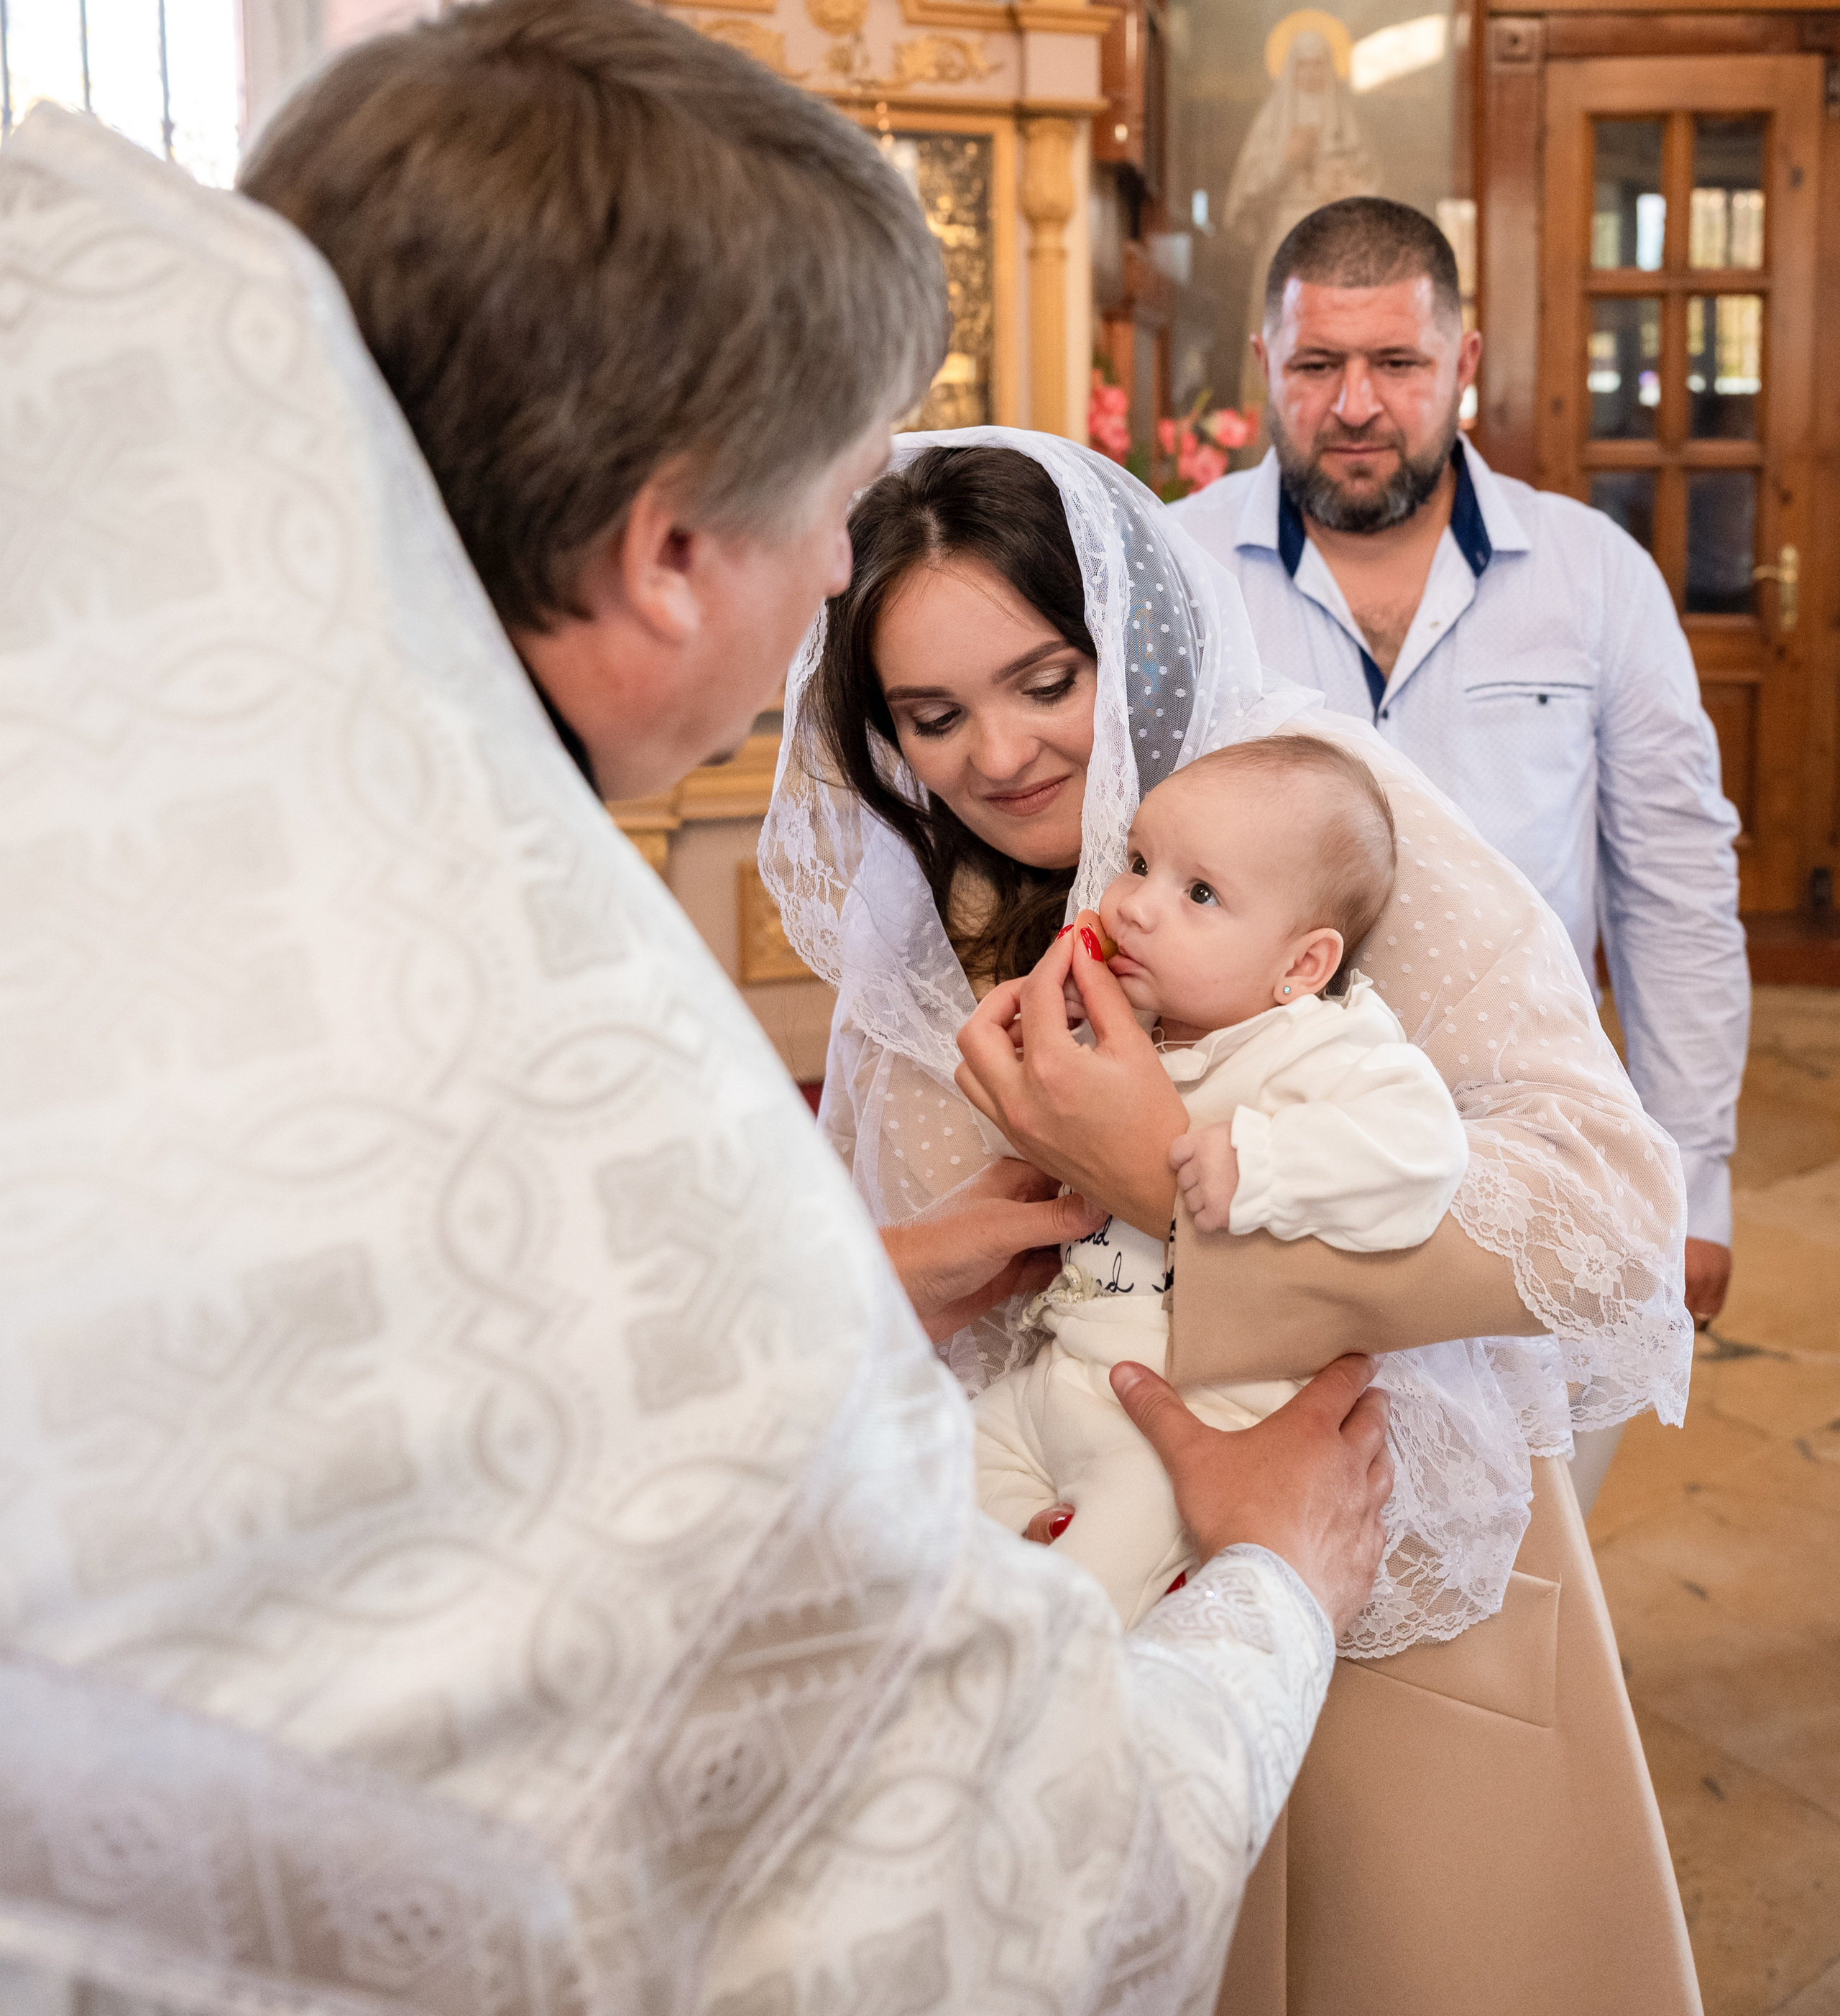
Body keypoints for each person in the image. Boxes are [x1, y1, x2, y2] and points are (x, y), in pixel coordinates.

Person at [0, 11, 1398, 2014]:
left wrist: (876, 1266)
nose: (843, 558)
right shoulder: (601, 1129)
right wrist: (1274, 1586)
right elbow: (991, 1900)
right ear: (668, 552)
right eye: (836, 503)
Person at [765, 430, 1703, 2013]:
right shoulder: (908, 924)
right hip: (1060, 1598)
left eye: (1043, 678)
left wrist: (1161, 1170)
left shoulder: (1306, 814)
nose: (997, 754)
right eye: (933, 716)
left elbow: (1610, 1216)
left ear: (1123, 636)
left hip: (1373, 1583)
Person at [1169, 198, 1749, 1505]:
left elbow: (1675, 896)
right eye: (1319, 366)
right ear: (1266, 367)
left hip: (1525, 1153)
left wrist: (1692, 1178)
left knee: (1524, 1568)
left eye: (1398, 365)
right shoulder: (1182, 571)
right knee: (1272, 1543)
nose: (1357, 404)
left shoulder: (1595, 579)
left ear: (1463, 365)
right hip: (1260, 1159)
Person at [975, 737, 1472, 1630]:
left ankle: (1064, 1727)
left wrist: (1265, 1166)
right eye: (1137, 864)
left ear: (1302, 967)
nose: (1134, 907)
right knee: (929, 1488)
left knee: (1081, 1597)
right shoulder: (1144, 1029)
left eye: (1198, 894)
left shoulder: (1320, 1045)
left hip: (1191, 1419)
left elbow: (1424, 1152)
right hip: (1056, 1379)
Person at [1222, 24, 1376, 418]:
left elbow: (1374, 192)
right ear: (1291, 69)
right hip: (1284, 238)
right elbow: (1242, 199)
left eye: (1319, 65)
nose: (1311, 74)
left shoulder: (1348, 123)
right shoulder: (1272, 125)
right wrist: (1285, 161)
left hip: (1337, 245)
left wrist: (1344, 187)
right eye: (1303, 65)